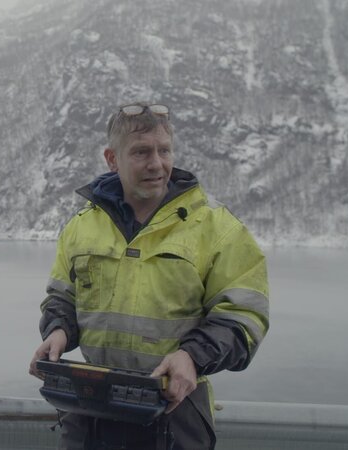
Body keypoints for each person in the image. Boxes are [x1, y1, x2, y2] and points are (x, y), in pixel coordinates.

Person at [29, 102, 269, 450]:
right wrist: (58, 330)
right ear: (112, 159)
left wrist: (191, 357)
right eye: (141, 152)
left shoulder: (218, 229)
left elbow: (245, 318)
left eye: (164, 150)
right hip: (91, 410)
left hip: (175, 412)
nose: (156, 164)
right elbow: (62, 298)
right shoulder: (81, 227)